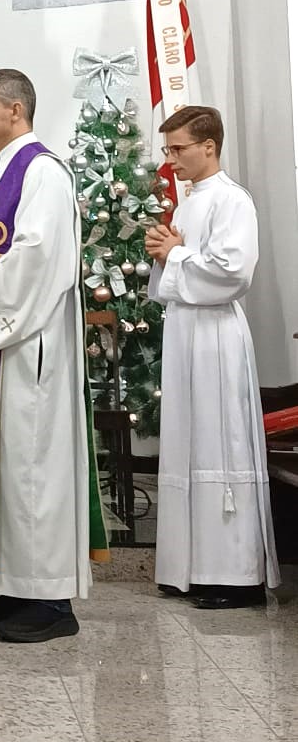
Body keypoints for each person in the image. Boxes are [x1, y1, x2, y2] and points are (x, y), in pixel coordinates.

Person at [0, 70, 107, 643]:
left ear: (15, 109)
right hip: (0, 342)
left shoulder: (43, 173)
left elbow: (35, 259)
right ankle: (14, 583)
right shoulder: (4, 171)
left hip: (30, 352)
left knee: (32, 470)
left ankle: (52, 601)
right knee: (6, 470)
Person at [145, 105, 279, 608]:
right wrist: (167, 252)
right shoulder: (188, 203)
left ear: (209, 146)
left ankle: (234, 577)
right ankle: (190, 568)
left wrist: (174, 254)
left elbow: (233, 271)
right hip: (185, 332)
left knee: (219, 445)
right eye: (167, 149)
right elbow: (177, 270)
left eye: (178, 148)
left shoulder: (231, 199)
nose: (170, 159)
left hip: (218, 335)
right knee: (187, 441)